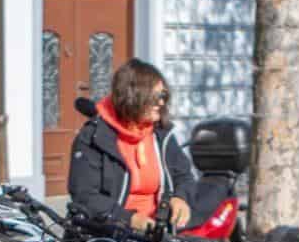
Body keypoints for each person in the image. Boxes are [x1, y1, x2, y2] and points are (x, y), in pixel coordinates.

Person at [67, 59, 224, 231]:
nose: (161, 103)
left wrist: (181, 198)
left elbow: (184, 175)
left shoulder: (161, 134)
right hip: (109, 235)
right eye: (155, 97)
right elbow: (85, 195)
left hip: (158, 232)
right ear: (132, 96)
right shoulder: (94, 136)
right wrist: (130, 219)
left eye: (163, 96)